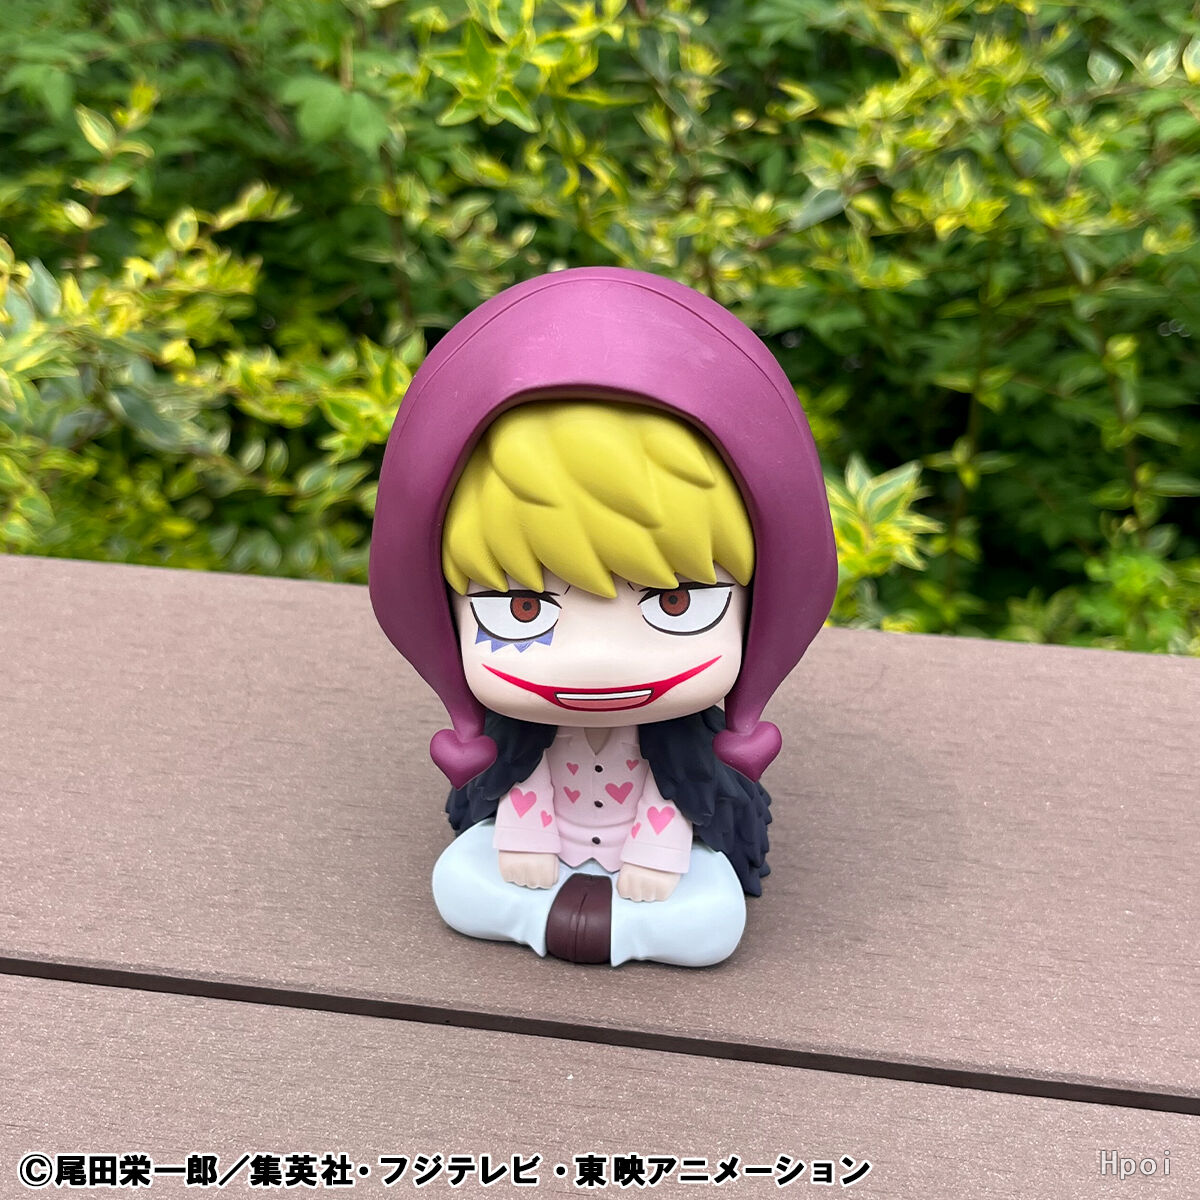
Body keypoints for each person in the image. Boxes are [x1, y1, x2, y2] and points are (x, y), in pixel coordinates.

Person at [369, 267, 837, 967]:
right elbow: (520, 793)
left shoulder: (687, 751)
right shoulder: (517, 744)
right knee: (462, 882)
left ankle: (613, 924)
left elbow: (677, 801)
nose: (597, 660)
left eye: (674, 601)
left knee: (709, 918)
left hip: (650, 859)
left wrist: (657, 849)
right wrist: (524, 838)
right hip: (544, 847)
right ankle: (566, 918)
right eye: (524, 606)